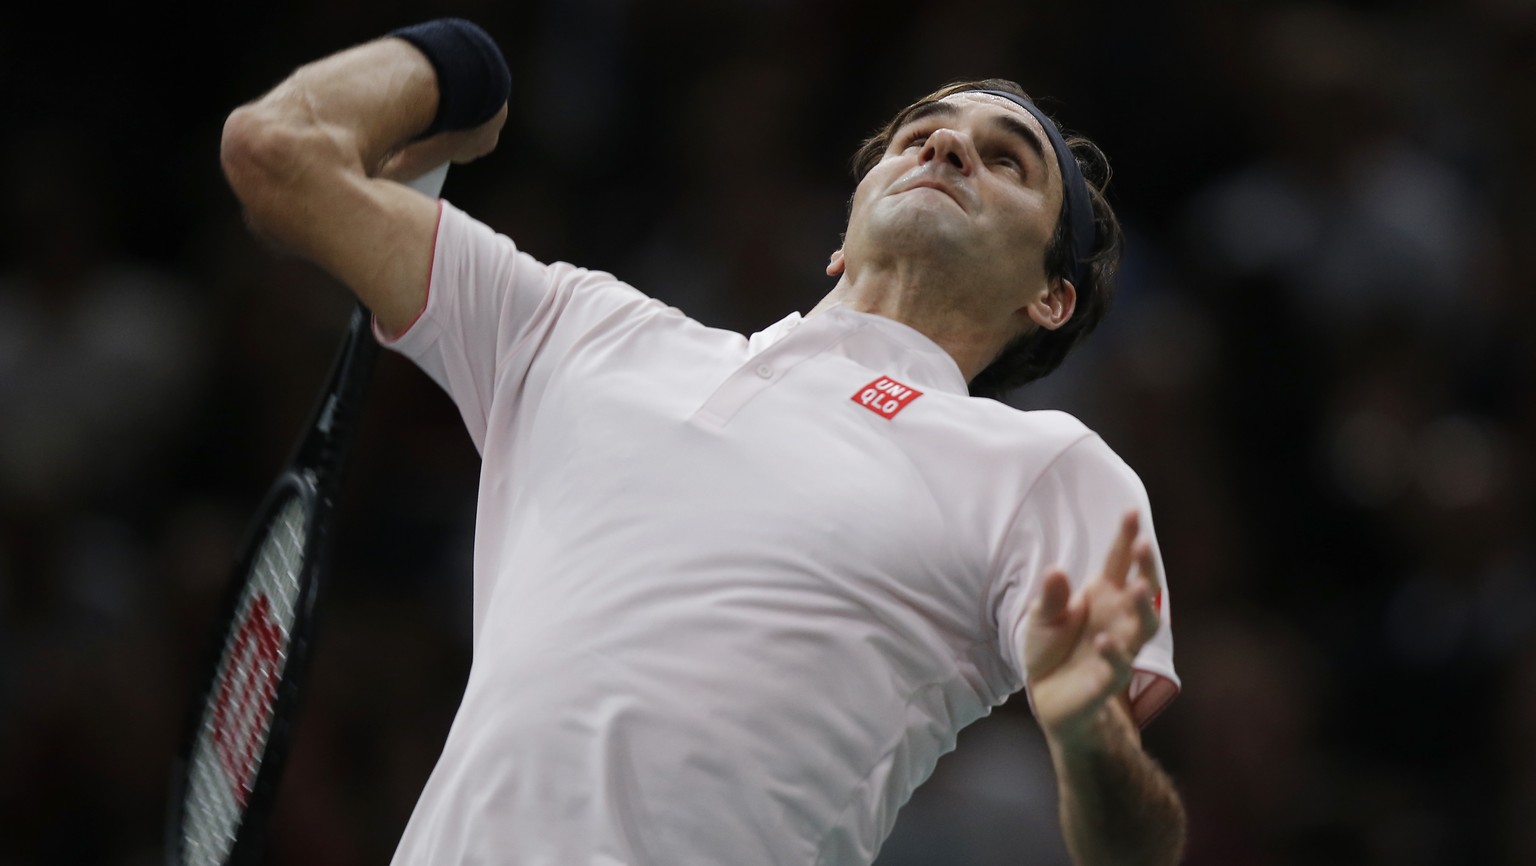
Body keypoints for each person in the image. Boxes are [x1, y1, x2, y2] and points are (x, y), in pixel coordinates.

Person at [219, 17, 1186, 866]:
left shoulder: (1046, 467)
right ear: (841, 237)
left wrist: (1090, 740)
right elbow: (276, 155)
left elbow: (1134, 847)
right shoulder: (580, 330)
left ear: (1048, 299)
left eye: (1007, 158)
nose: (945, 148)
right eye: (917, 134)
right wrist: (452, 60)